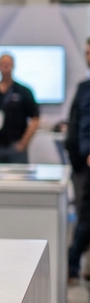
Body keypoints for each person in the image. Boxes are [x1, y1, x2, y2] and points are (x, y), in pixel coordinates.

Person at [0, 53, 40, 164]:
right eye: (3, 64)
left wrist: (23, 143)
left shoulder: (23, 92)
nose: (5, 67)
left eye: (8, 64)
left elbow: (35, 118)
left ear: (13, 66)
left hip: (16, 147)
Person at [68, 39, 90, 279]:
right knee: (84, 213)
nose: (87, 56)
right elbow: (80, 122)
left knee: (85, 216)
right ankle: (74, 263)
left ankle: (73, 262)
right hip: (81, 163)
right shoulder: (84, 86)